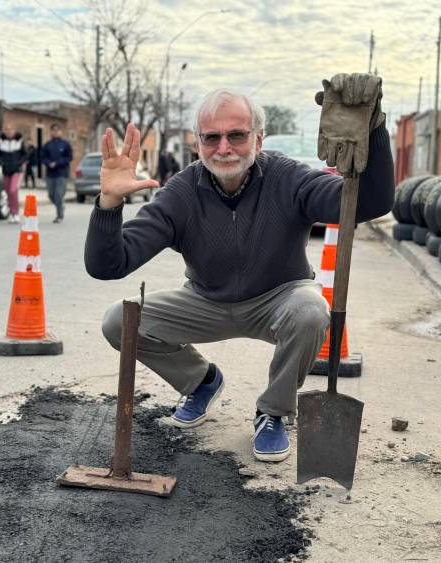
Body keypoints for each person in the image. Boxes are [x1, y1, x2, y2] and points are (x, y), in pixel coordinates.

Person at [85, 79, 394, 463]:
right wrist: (109, 203)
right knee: (119, 320)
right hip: (205, 300)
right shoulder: (181, 193)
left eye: (236, 135)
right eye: (211, 137)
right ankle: (200, 381)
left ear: (259, 139)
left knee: (311, 310)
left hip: (278, 298)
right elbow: (108, 265)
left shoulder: (289, 178)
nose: (224, 147)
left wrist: (375, 129)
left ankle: (273, 412)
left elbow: (367, 203)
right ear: (197, 144)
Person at [41, 124, 73, 223]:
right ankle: (61, 206)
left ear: (60, 132)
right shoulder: (47, 145)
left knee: (59, 195)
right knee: (51, 195)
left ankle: (59, 216)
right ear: (51, 132)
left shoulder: (65, 144)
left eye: (57, 130)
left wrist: (58, 163)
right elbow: (42, 157)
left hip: (61, 174)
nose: (55, 132)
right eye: (53, 130)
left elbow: (69, 158)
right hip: (50, 174)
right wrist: (48, 163)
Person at [0, 125, 27, 223]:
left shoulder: (19, 141)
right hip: (6, 170)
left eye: (11, 129)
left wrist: (19, 162)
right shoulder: (1, 142)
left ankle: (16, 213)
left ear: (14, 131)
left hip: (16, 170)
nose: (9, 132)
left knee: (13, 190)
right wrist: (1, 162)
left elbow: (25, 154)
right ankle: (11, 213)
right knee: (8, 192)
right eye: (7, 130)